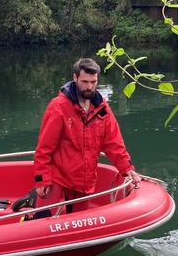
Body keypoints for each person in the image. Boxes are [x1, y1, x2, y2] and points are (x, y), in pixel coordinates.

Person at [33, 58, 140, 215]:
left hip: (85, 182)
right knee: (43, 221)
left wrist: (127, 168)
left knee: (81, 227)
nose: (89, 87)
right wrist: (42, 180)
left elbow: (113, 143)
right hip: (58, 179)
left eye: (93, 82)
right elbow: (44, 148)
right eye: (85, 81)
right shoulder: (58, 107)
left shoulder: (102, 109)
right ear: (75, 78)